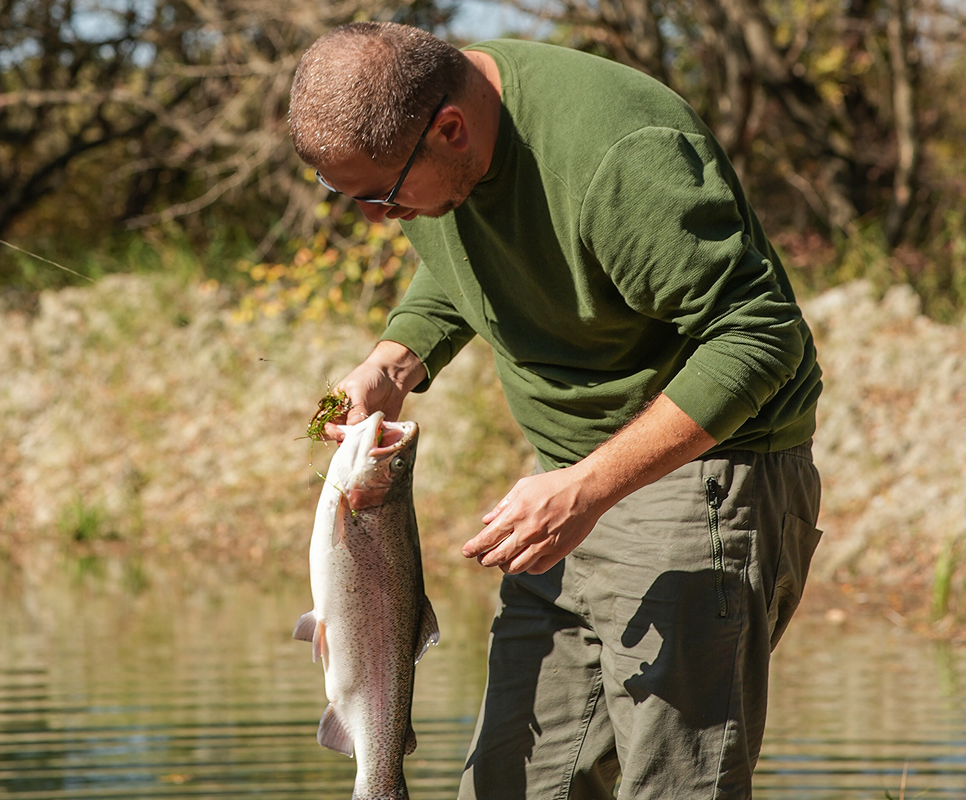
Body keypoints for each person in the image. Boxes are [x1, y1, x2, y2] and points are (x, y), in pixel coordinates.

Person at [288, 21, 823, 800]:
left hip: (700, 477)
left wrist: (590, 487)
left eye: (379, 195)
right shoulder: (445, 164)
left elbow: (761, 337)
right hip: (565, 494)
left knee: (673, 785)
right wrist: (393, 362)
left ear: (449, 129)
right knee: (511, 784)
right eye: (349, 197)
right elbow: (467, 261)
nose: (375, 218)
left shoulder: (620, 153)